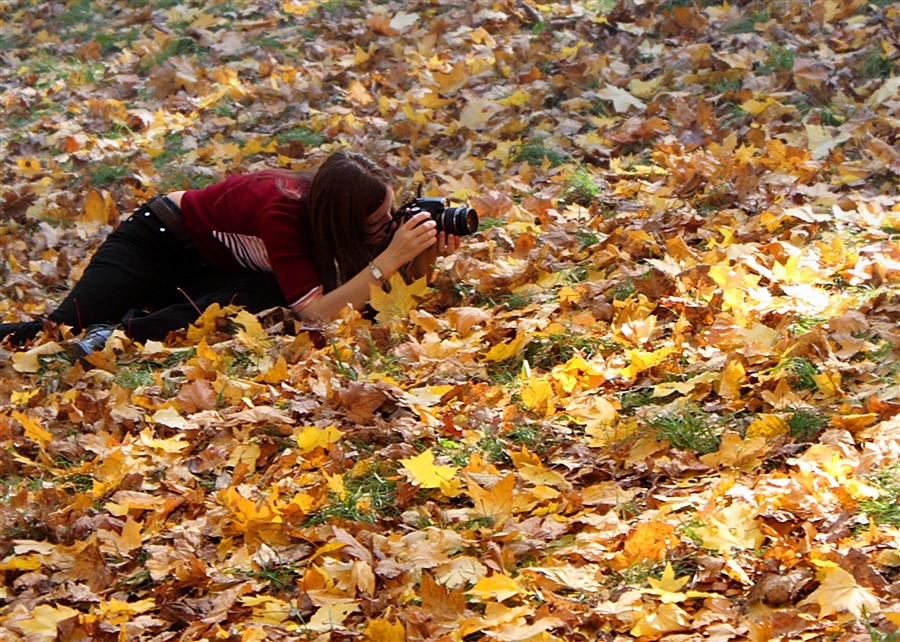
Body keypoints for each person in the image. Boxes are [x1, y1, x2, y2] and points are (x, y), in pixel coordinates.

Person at [0, 151, 461, 350]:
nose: (389, 228)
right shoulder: (282, 211)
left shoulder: (332, 224)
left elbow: (369, 308)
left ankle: (120, 334)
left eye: (391, 215)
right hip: (159, 240)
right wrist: (387, 261)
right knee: (56, 328)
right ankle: (90, 329)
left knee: (260, 300)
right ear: (338, 220)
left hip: (216, 267)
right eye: (378, 224)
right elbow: (318, 313)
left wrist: (421, 258)